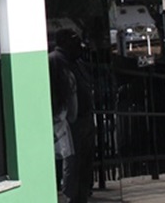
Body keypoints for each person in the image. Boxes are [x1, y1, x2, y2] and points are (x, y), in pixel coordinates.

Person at [50, 28, 94, 203]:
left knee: (84, 161)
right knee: (72, 161)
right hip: (69, 120)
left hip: (83, 117)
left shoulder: (76, 61)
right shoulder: (55, 60)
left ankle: (82, 194)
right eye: (74, 40)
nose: (79, 45)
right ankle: (71, 196)